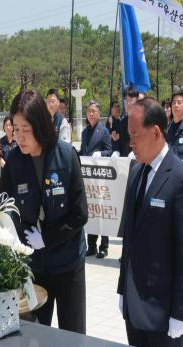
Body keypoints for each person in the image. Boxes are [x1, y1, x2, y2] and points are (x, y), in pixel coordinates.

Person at [0, 90, 88, 334]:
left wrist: (47, 237)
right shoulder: (15, 161)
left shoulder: (66, 156)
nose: (20, 137)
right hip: (33, 268)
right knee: (33, 335)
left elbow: (80, 214)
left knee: (73, 335)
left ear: (40, 126)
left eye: (26, 129)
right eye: (16, 128)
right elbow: (1, 202)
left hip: (68, 264)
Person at [118, 97, 183, 347]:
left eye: (134, 135)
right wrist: (122, 289)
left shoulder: (181, 178)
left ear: (155, 132)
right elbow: (129, 239)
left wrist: (181, 313)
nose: (130, 143)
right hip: (134, 308)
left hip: (164, 314)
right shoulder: (135, 172)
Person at [79, 99, 112, 258]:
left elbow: (109, 151)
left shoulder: (104, 131)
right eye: (89, 111)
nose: (91, 114)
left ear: (99, 113)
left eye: (94, 111)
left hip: (100, 178)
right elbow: (82, 152)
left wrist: (101, 154)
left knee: (102, 211)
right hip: (87, 178)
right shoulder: (84, 132)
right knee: (91, 211)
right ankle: (91, 246)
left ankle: (103, 246)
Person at [111, 86, 139, 158]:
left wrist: (136, 151)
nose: (128, 103)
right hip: (123, 163)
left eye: (131, 100)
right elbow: (117, 141)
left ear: (137, 101)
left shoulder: (144, 120)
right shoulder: (123, 122)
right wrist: (116, 150)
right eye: (126, 100)